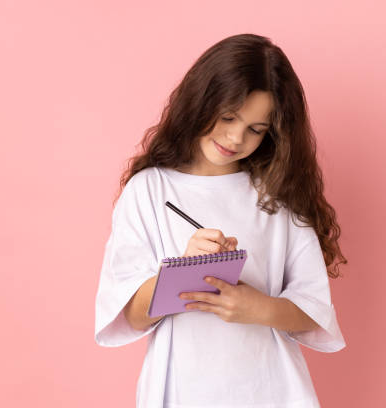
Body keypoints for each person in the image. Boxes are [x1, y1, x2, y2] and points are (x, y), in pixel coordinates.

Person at [94, 33, 348, 407]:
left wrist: (258, 308)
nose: (235, 137)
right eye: (228, 117)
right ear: (200, 102)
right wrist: (182, 269)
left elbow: (314, 313)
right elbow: (128, 312)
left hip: (272, 390)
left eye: (256, 130)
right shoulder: (149, 189)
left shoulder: (276, 194)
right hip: (181, 390)